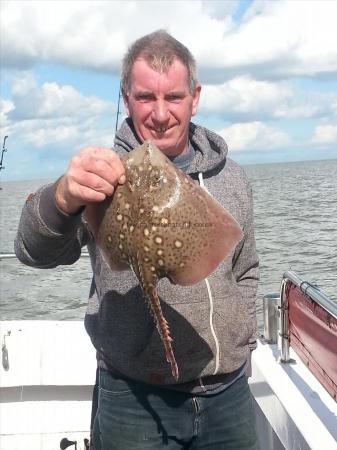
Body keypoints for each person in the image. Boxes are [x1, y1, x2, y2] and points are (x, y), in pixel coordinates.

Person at [15, 30, 260, 450]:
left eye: (174, 98)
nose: (160, 114)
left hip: (227, 394)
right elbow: (31, 251)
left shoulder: (232, 177)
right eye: (146, 97)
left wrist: (242, 342)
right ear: (126, 97)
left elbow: (247, 268)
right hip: (133, 399)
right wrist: (63, 197)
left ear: (195, 97)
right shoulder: (102, 176)